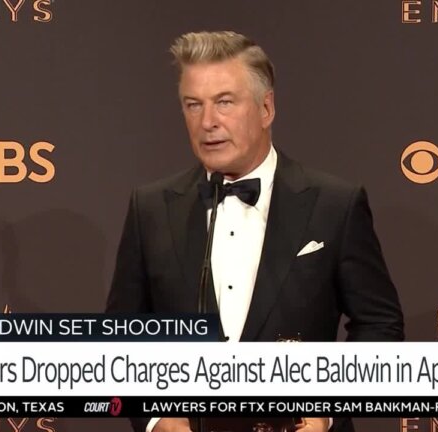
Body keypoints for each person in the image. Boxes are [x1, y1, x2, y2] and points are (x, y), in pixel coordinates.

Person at [106, 31, 404, 432]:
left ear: (266, 108)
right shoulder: (152, 207)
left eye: (225, 102)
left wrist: (329, 406)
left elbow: (380, 324)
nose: (207, 122)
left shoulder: (334, 204)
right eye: (193, 105)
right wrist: (155, 415)